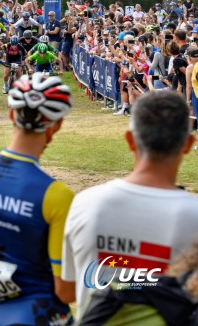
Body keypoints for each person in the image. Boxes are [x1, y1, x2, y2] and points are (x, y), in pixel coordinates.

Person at [62, 90, 198, 322]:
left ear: (130, 140)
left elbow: (67, 290)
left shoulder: (85, 203)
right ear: (187, 144)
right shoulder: (193, 217)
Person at [0, 73, 75, 325]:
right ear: (56, 125)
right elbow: (66, 290)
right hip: (41, 314)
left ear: (12, 115)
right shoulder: (57, 196)